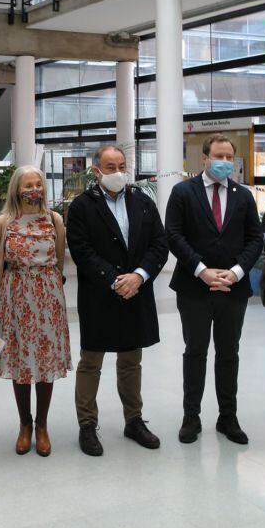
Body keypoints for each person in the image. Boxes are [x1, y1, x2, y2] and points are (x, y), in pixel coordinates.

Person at [66, 145, 168, 457]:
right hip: (99, 294)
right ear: (96, 171)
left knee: (130, 360)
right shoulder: (83, 206)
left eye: (121, 165)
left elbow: (159, 245)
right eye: (110, 167)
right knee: (91, 361)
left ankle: (133, 420)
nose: (117, 172)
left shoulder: (143, 202)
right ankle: (87, 424)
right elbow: (81, 250)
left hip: (136, 293)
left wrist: (138, 276)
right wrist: (113, 279)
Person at [165, 133, 263, 445]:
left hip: (233, 290)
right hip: (194, 287)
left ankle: (227, 417)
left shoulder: (244, 196)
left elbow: (255, 239)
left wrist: (235, 273)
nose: (223, 163)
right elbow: (174, 235)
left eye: (228, 158)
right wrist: (202, 271)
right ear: (204, 158)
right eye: (217, 156)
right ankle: (191, 417)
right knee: (195, 351)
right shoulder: (183, 192)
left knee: (228, 353)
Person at [0, 165, 70, 457]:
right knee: (21, 362)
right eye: (27, 185)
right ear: (16, 189)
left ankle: (42, 425)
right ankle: (24, 424)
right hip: (16, 297)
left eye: (37, 184)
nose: (33, 190)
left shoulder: (54, 220)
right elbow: (0, 262)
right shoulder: (4, 222)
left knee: (45, 361)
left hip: (48, 296)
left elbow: (60, 259)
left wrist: (47, 285)